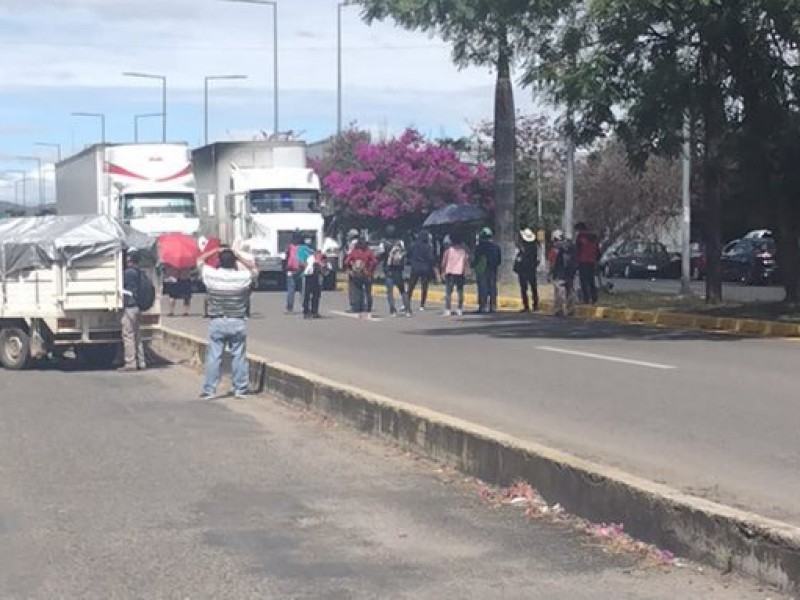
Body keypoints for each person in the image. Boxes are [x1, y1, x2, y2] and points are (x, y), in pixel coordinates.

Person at [196, 246, 258, 400]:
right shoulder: (242, 277)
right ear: (234, 263)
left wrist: (215, 250)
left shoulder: (211, 275)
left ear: (219, 262)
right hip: (237, 320)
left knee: (214, 356)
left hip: (217, 319)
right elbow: (255, 269)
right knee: (238, 356)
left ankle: (209, 390)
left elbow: (199, 260)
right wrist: (239, 256)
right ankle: (240, 389)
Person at [120, 249, 147, 371]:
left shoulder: (128, 273)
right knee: (137, 335)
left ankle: (130, 362)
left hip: (130, 306)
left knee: (128, 334)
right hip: (137, 306)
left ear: (129, 259)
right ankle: (141, 362)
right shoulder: (139, 272)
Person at [379, 225, 411, 317]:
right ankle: (408, 310)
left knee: (390, 291)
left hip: (388, 269)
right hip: (398, 269)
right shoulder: (400, 242)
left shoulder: (383, 243)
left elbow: (380, 255)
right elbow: (404, 253)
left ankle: (393, 311)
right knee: (402, 290)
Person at [343, 236, 378, 318]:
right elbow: (375, 262)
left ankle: (359, 308)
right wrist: (370, 270)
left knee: (358, 291)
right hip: (367, 274)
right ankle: (369, 309)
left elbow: (346, 262)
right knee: (368, 293)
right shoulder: (369, 252)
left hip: (357, 275)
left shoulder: (354, 252)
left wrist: (350, 270)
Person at [473, 227, 502, 313]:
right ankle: (493, 306)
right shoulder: (496, 247)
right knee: (492, 288)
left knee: (482, 288)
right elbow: (499, 260)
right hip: (493, 270)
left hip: (482, 270)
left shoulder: (479, 247)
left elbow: (476, 259)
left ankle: (483, 306)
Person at [440, 232, 470, 317]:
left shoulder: (448, 251)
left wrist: (442, 272)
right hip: (460, 273)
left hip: (450, 273)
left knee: (448, 292)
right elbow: (466, 262)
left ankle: (448, 309)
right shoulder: (463, 251)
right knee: (460, 291)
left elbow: (443, 263)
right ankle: (459, 309)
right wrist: (466, 271)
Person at [549, 229, 577, 317]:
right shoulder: (570, 246)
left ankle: (559, 309)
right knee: (570, 289)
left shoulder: (556, 249)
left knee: (559, 291)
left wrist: (551, 273)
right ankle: (571, 309)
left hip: (560, 273)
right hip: (570, 272)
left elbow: (553, 263)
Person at [407, 230, 437, 311]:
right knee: (424, 287)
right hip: (425, 268)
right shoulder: (428, 247)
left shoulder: (413, 245)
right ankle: (422, 305)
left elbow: (408, 254)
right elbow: (431, 258)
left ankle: (407, 302)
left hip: (415, 267)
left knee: (411, 286)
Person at [284, 232, 313, 314]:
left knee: (291, 290)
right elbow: (311, 256)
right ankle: (305, 306)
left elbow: (286, 258)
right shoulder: (304, 248)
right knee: (303, 290)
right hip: (302, 270)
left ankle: (289, 308)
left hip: (291, 270)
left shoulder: (289, 247)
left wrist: (285, 269)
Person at [514, 228, 541, 312]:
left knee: (524, 289)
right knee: (533, 288)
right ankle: (535, 305)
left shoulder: (522, 248)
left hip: (523, 271)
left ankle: (526, 306)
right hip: (531, 270)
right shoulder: (535, 247)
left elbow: (519, 259)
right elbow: (538, 260)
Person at [575, 222, 600, 305]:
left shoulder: (580, 237)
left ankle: (586, 299)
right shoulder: (594, 237)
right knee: (591, 280)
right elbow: (597, 251)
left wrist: (575, 261)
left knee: (583, 281)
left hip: (583, 261)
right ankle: (594, 299)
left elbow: (577, 250)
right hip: (592, 261)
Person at [302, 249, 329, 319]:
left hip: (313, 277)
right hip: (311, 276)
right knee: (310, 295)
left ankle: (312, 312)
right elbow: (324, 269)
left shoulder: (318, 259)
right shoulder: (313, 258)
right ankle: (309, 312)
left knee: (313, 295)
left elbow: (325, 270)